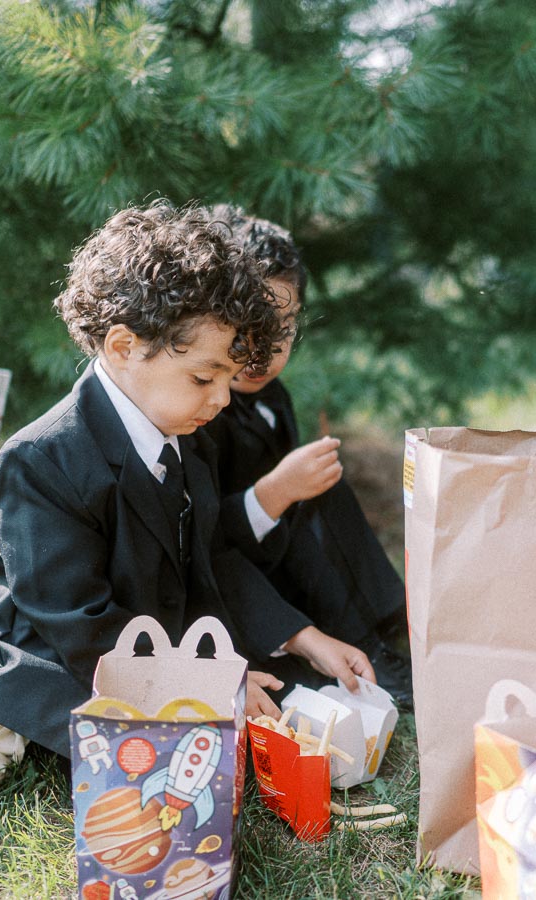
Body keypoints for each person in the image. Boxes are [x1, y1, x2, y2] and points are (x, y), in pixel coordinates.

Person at [0, 201, 375, 758]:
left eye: (229, 378)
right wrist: (207, 686)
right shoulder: (42, 459)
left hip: (160, 652)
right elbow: (79, 625)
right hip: (65, 671)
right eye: (204, 376)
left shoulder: (187, 432)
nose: (223, 399)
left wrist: (304, 637)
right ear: (124, 346)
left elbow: (214, 556)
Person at [201, 205, 414, 709]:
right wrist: (274, 494)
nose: (264, 350)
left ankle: (391, 624)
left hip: (277, 558)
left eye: (284, 327)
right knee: (303, 497)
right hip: (235, 585)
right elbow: (205, 541)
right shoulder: (201, 412)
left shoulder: (272, 398)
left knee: (324, 485)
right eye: (246, 328)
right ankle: (363, 646)